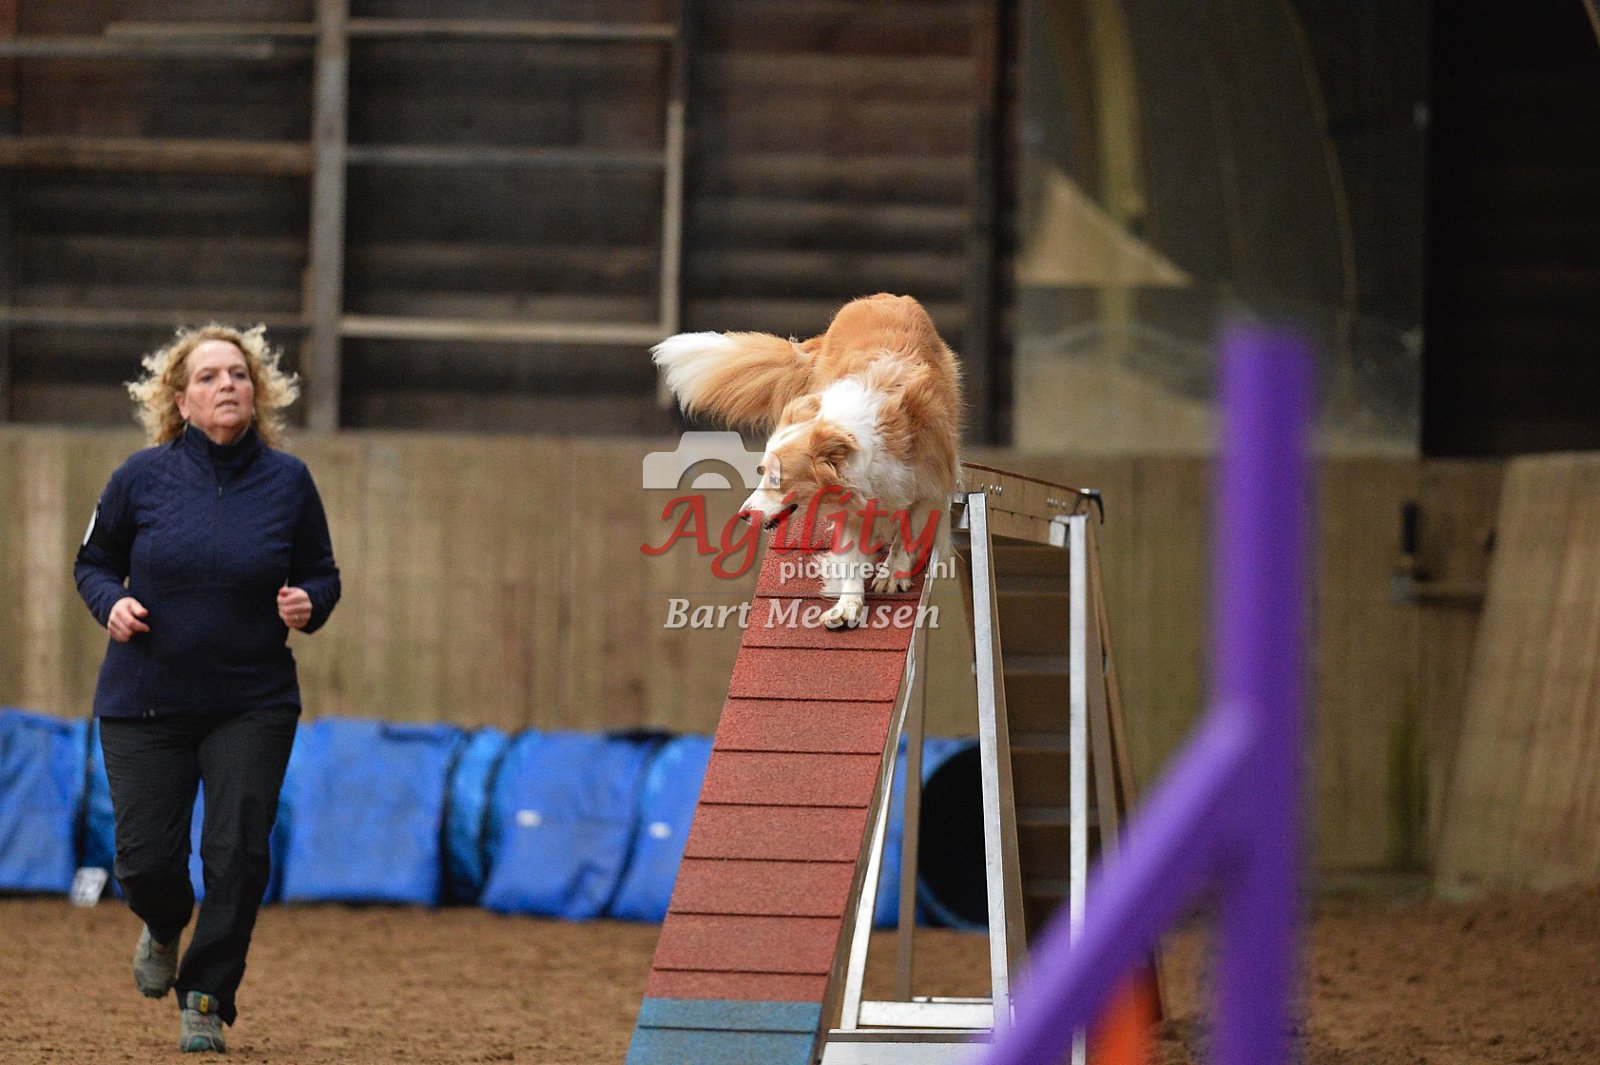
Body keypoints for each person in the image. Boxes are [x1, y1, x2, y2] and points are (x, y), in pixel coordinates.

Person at [74, 324, 340, 1053]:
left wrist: (310, 602)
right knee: (144, 864)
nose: (228, 385)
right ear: (181, 401)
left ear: (257, 392)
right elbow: (93, 562)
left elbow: (322, 573)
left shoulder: (289, 482)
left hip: (252, 701)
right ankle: (164, 924)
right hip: (144, 701)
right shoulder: (139, 477)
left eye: (239, 374)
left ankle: (205, 996)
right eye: (209, 376)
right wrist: (111, 603)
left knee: (238, 853)